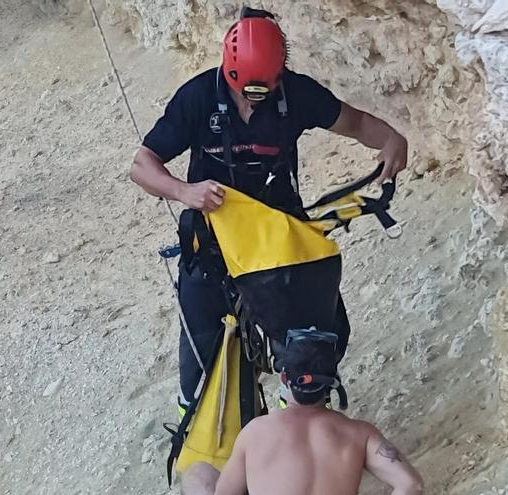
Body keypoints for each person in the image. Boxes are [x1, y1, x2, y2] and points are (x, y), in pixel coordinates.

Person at [130, 7, 409, 493]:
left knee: (314, 335)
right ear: (229, 72)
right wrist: (184, 191)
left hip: (278, 242)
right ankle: (198, 426)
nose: (253, 100)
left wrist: (391, 138)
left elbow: (355, 122)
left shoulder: (295, 93)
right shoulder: (199, 97)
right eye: (245, 90)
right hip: (213, 243)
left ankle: (293, 427)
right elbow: (143, 165)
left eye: (264, 91)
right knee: (202, 342)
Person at [214, 330, 424, 495]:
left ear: (284, 379)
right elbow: (412, 485)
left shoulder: (254, 433)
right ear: (333, 382)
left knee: (199, 473)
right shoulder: (360, 434)